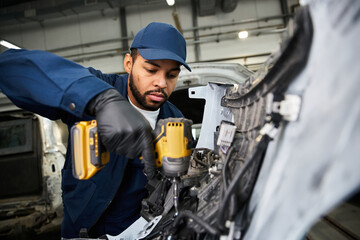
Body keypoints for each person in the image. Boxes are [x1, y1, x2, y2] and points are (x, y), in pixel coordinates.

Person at [0, 22, 191, 238]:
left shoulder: (176, 120)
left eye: (172, 75)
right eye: (151, 69)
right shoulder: (95, 87)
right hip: (85, 232)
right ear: (129, 63)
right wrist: (98, 100)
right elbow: (9, 67)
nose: (161, 83)